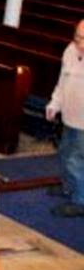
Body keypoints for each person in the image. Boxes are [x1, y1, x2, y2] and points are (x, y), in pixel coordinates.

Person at [46, 19, 84, 218]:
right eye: (78, 37)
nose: (81, 43)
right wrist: (54, 104)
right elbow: (62, 81)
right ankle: (68, 186)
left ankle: (80, 201)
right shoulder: (70, 51)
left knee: (77, 160)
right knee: (65, 154)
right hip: (70, 117)